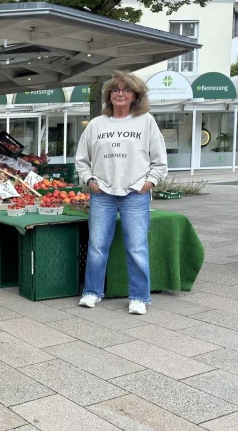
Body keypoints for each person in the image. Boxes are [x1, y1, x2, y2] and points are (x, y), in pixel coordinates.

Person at [75, 70, 168, 315]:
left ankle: (139, 297)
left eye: (126, 90)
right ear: (109, 95)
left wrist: (148, 184)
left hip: (135, 194)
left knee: (136, 247)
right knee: (96, 246)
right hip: (102, 193)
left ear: (135, 96)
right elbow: (81, 160)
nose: (120, 94)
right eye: (115, 90)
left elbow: (160, 161)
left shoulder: (146, 121)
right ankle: (92, 292)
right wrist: (89, 181)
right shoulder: (97, 124)